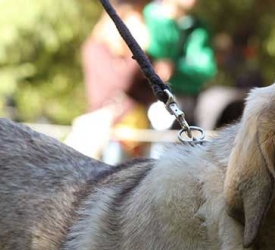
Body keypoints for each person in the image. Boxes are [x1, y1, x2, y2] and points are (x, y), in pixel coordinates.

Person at [81, 0, 153, 164]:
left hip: (136, 133)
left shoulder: (124, 58)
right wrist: (138, 50)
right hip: (109, 132)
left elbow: (149, 91)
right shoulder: (96, 48)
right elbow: (121, 83)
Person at [144, 0, 217, 127]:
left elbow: (206, 69)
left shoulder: (197, 26)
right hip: (141, 105)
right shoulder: (146, 17)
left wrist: (175, 68)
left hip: (185, 106)